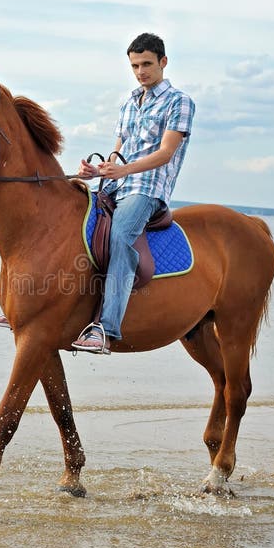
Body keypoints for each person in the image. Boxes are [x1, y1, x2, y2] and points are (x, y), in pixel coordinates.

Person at [71, 32, 195, 355]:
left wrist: (124, 170)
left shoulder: (179, 102)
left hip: (148, 189)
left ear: (163, 62)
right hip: (116, 183)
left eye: (147, 64)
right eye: (135, 66)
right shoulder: (129, 102)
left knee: (121, 235)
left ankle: (106, 328)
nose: (141, 72)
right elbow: (118, 152)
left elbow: (166, 153)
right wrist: (96, 171)